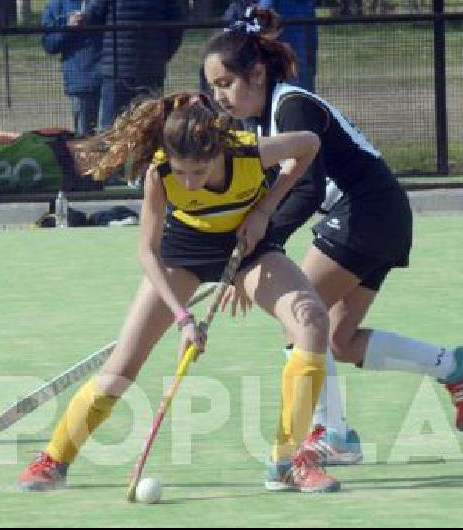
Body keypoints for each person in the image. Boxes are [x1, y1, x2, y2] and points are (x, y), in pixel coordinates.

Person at [202, 7, 463, 463]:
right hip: (381, 216)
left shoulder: (291, 105)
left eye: (225, 84)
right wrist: (236, 246)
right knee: (337, 339)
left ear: (256, 73)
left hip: (366, 212)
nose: (219, 97)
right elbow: (265, 192)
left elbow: (307, 186)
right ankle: (456, 367)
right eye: (213, 86)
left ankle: (333, 435)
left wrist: (260, 246)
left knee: (300, 317)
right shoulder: (260, 121)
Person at [17, 91, 341, 494]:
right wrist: (182, 317)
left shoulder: (248, 152)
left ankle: (285, 462)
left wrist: (264, 210)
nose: (189, 181)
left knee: (311, 320)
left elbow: (309, 145)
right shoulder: (160, 174)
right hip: (183, 251)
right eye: (181, 171)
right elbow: (146, 252)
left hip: (248, 248)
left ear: (219, 151)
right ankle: (53, 459)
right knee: (122, 368)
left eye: (200, 172)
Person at [80, 0, 185, 131]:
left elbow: (90, 18)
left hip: (116, 68)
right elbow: (177, 27)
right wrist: (161, 55)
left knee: (111, 129)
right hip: (151, 68)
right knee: (149, 126)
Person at [226, 1, 318, 92]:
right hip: (296, 72)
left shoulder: (244, 8)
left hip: (272, 73)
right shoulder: (304, 4)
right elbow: (312, 42)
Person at [42, 0, 103, 136]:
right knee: (85, 138)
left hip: (112, 81)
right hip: (81, 82)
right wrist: (68, 28)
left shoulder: (105, 3)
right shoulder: (56, 6)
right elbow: (49, 44)